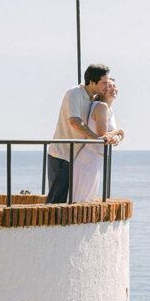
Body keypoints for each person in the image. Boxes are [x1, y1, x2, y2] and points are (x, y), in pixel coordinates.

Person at [47, 64, 117, 203]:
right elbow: (75, 121)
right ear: (92, 82)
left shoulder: (93, 98)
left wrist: (117, 133)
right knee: (56, 200)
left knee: (70, 200)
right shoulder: (74, 93)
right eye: (104, 83)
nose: (106, 86)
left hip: (77, 156)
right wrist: (96, 139)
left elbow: (103, 117)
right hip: (62, 155)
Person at [72, 80, 124, 201]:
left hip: (95, 160)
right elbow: (103, 136)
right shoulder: (101, 106)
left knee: (83, 200)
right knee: (79, 201)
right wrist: (120, 130)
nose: (112, 88)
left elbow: (110, 138)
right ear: (102, 90)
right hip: (88, 160)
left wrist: (117, 136)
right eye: (109, 86)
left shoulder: (108, 110)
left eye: (114, 86)